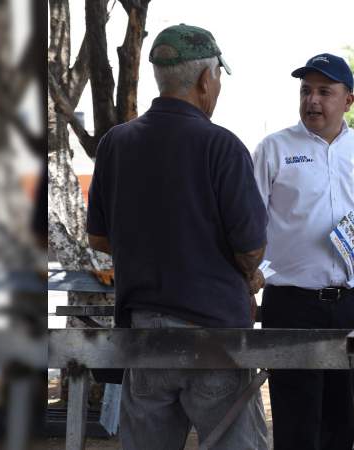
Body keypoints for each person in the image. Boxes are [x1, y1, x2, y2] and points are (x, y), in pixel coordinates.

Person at [86, 24, 268, 449]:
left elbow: (99, 239)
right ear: (206, 79)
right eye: (218, 78)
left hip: (144, 335)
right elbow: (250, 250)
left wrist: (152, 252)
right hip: (213, 336)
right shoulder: (221, 146)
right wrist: (247, 272)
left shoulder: (115, 143)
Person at [251, 53, 354, 450]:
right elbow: (248, 219)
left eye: (324, 91)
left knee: (340, 416)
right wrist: (255, 271)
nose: (312, 101)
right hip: (290, 304)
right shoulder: (274, 148)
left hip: (352, 303)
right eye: (306, 91)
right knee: (295, 419)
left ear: (348, 100)